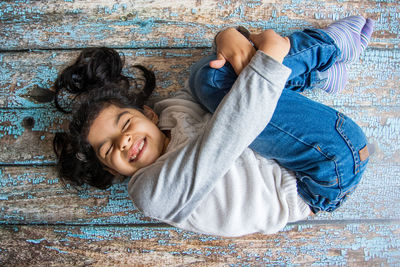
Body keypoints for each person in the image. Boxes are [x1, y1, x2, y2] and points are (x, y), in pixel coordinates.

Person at [53, 16, 373, 237]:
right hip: (322, 170)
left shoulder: (170, 112)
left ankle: (316, 74)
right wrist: (271, 58)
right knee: (233, 83)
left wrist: (226, 36)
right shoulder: (149, 192)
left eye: (125, 124)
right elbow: (229, 134)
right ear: (113, 171)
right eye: (108, 149)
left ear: (148, 115)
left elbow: (222, 78)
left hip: (290, 148)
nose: (123, 142)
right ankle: (326, 47)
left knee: (208, 77)